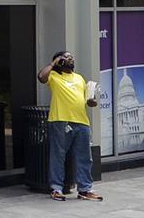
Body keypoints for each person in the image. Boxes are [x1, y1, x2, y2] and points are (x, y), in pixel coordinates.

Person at [36, 48, 100, 201]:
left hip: (82, 121)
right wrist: (53, 63)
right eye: (66, 57)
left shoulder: (79, 78)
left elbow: (88, 102)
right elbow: (41, 77)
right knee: (58, 156)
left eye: (71, 57)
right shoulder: (53, 75)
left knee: (84, 157)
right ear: (59, 60)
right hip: (60, 120)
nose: (70, 58)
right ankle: (56, 188)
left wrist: (92, 101)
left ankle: (84, 189)